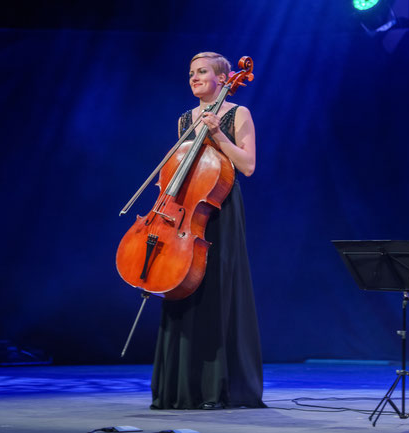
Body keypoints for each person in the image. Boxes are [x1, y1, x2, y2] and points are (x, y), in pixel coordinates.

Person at [150, 52, 265, 410]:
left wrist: (219, 135)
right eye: (190, 73)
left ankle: (217, 387)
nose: (194, 78)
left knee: (215, 290)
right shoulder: (185, 118)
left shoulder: (236, 113)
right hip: (185, 212)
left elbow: (247, 166)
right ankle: (180, 386)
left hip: (219, 210)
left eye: (202, 72)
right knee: (180, 288)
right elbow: (180, 165)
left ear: (223, 78)